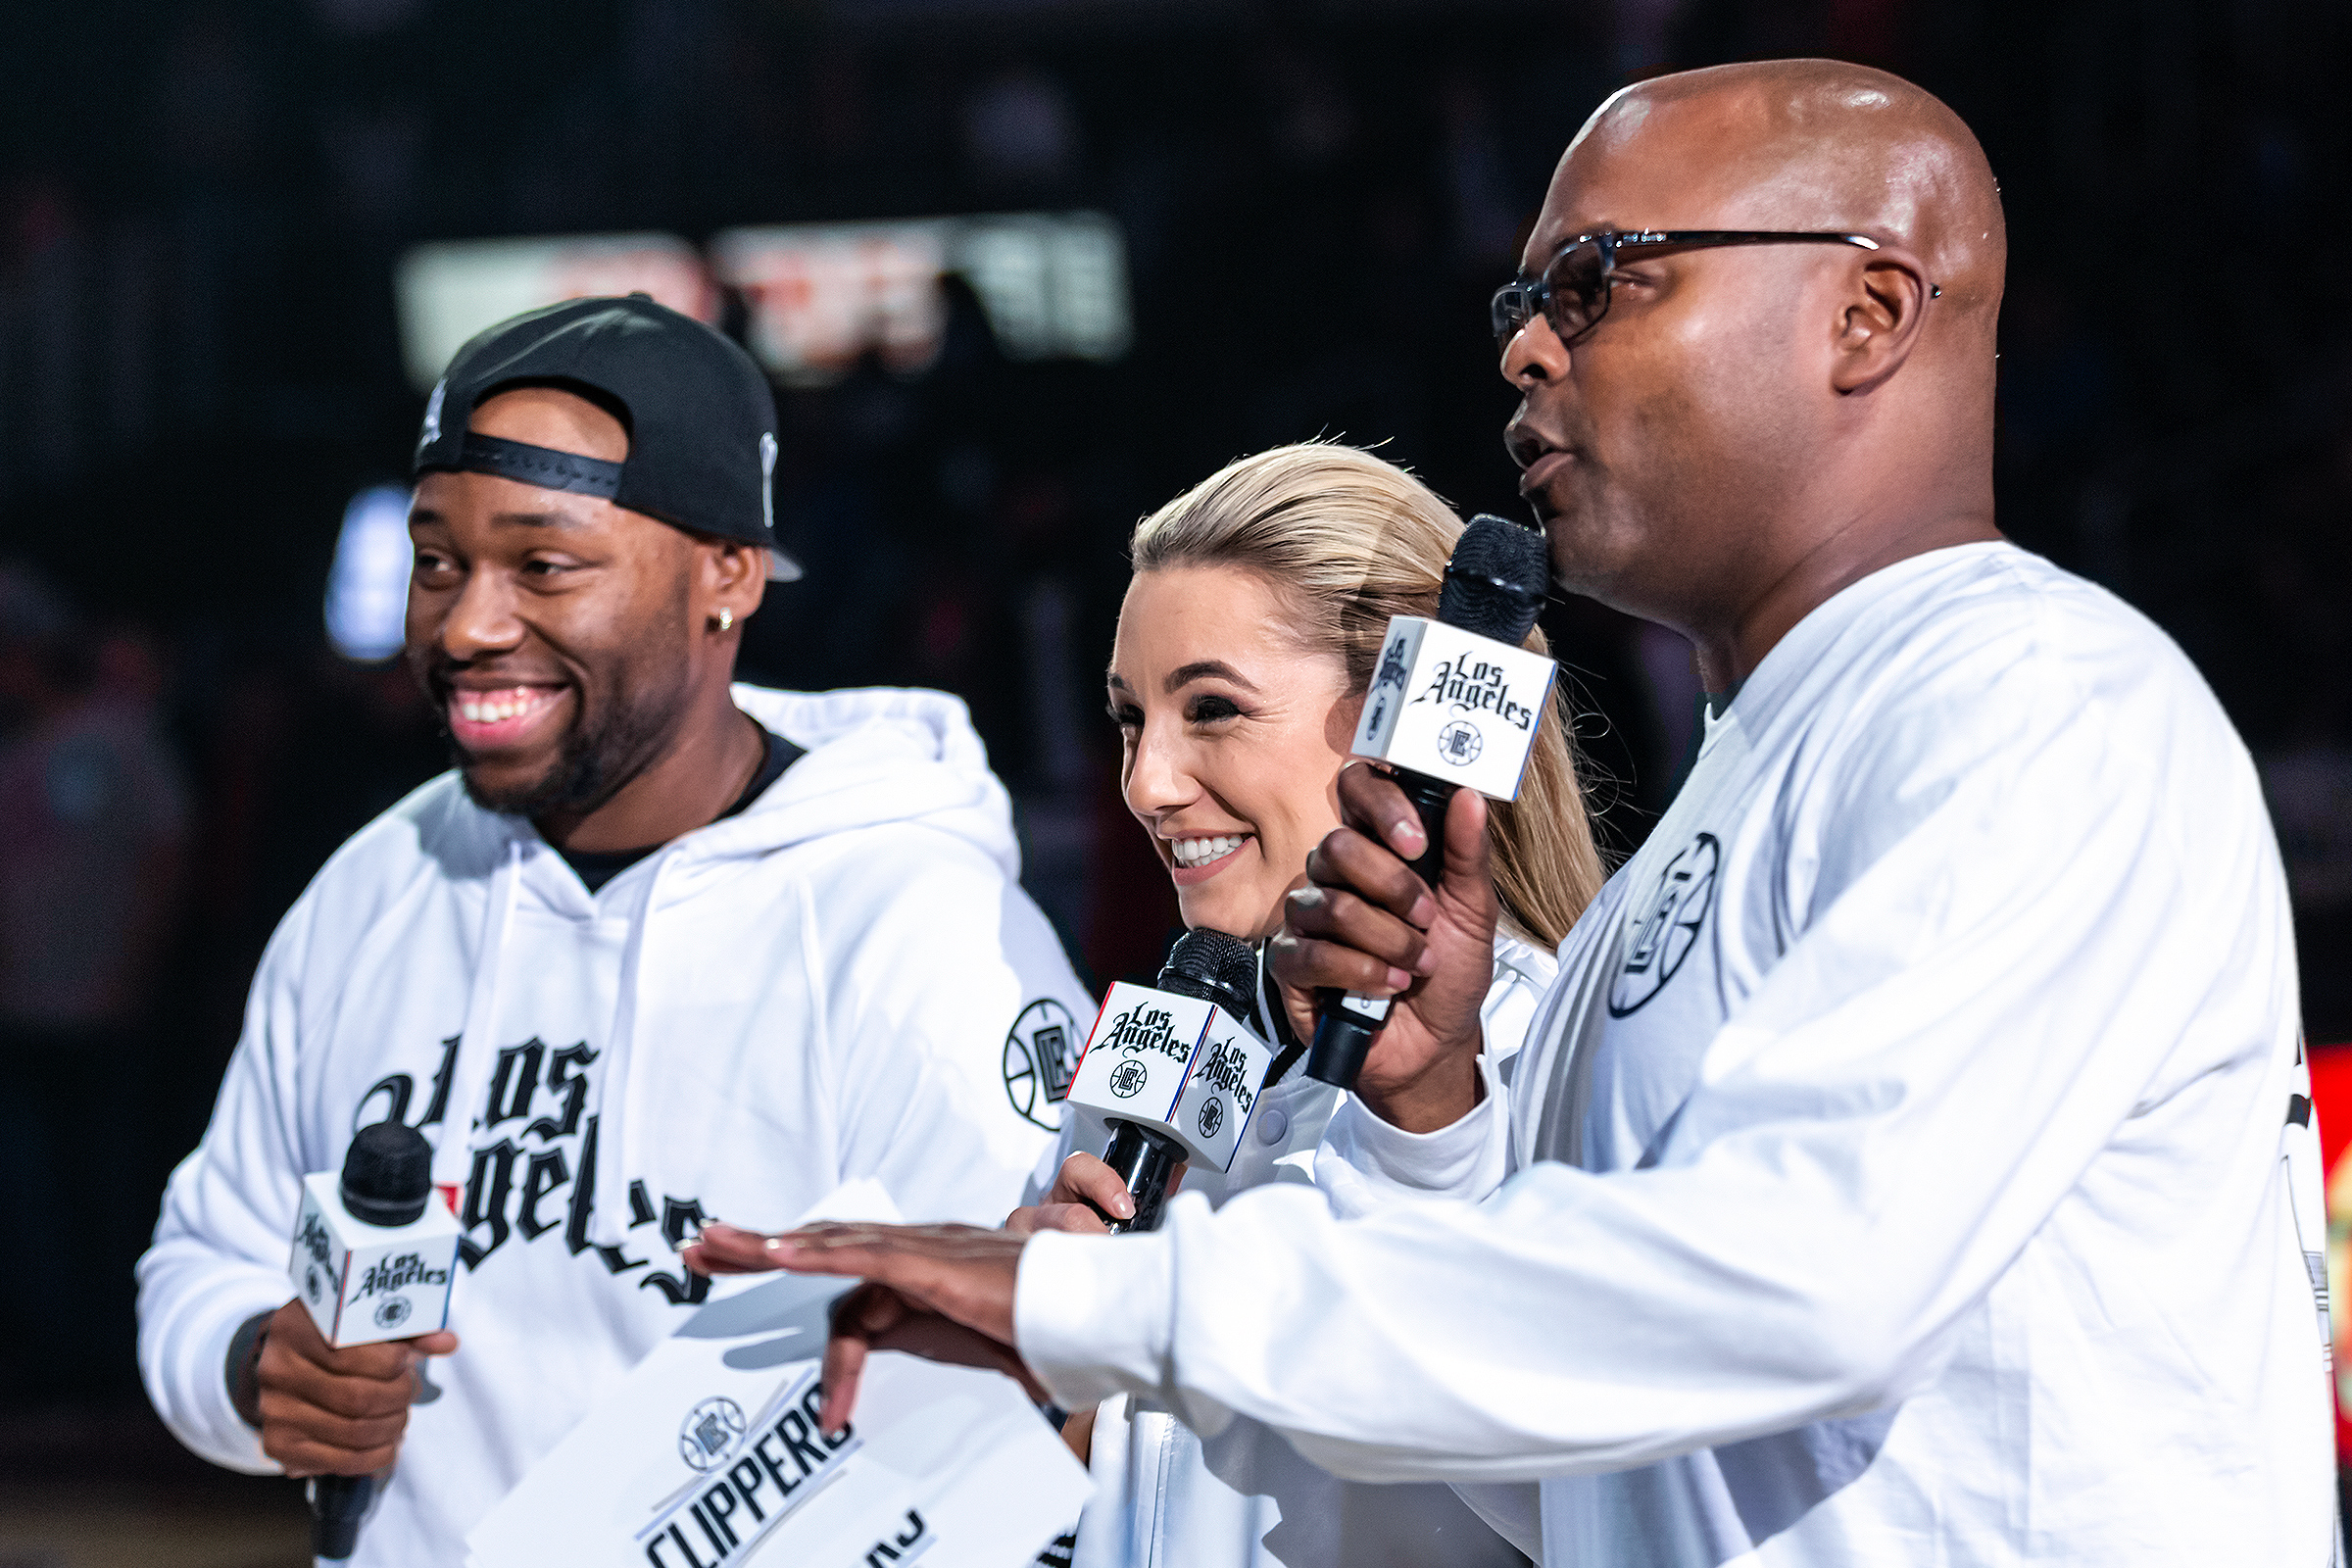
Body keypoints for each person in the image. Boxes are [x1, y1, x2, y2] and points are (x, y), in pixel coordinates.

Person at [683, 62, 2336, 1565]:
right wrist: (1428, 1120)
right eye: (1521, 300)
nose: (1527, 347)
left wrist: (1108, 1301)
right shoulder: (1735, 800)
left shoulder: (2026, 696)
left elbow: (1808, 1282)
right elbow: (1562, 1492)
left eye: (1599, 281)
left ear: (1865, 313)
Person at [135, 295, 1095, 1565]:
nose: (467, 626)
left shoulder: (917, 926)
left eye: (544, 565)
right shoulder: (376, 887)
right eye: (437, 562)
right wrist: (253, 1365)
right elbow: (208, 1253)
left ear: (726, 574)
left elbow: (1036, 1400)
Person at [1020, 443, 1605, 1568]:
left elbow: (1630, 1505)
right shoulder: (1163, 1052)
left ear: (1402, 717)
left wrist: (1429, 1132)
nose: (1147, 783)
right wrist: (1031, 1385)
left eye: (1213, 709)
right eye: (1130, 718)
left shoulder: (1562, 1052)